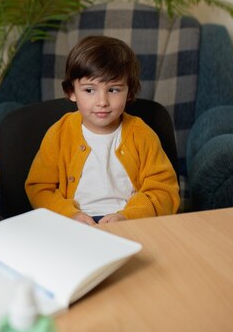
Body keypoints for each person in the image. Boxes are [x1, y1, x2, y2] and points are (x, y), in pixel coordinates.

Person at [25, 35, 179, 225]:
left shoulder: (142, 134)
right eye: (89, 90)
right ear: (71, 92)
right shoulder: (59, 134)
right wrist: (70, 215)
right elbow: (39, 188)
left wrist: (128, 216)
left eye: (113, 90)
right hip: (71, 225)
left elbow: (164, 189)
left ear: (129, 92)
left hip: (130, 223)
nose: (102, 102)